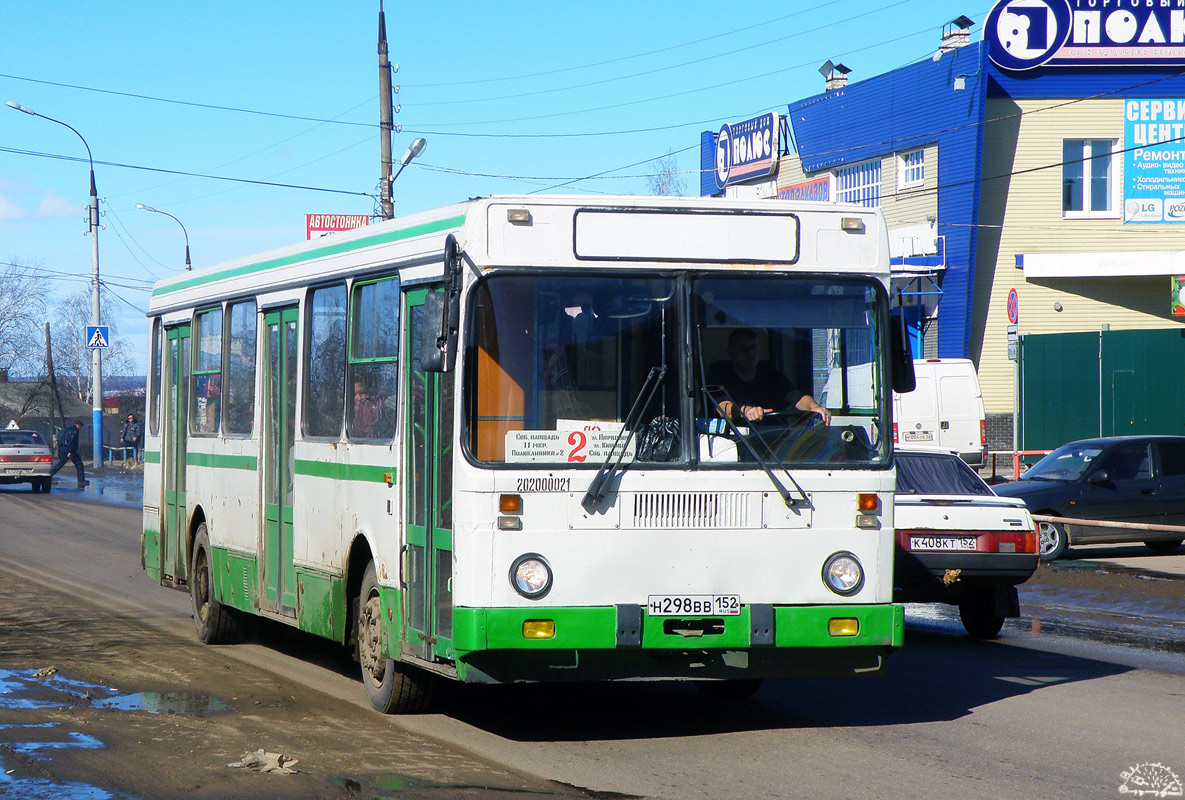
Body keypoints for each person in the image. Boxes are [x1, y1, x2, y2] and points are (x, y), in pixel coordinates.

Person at [706, 328, 831, 425]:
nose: (749, 353)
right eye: (743, 348)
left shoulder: (770, 373)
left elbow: (796, 397)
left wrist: (814, 407)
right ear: (731, 352)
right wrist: (746, 411)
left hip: (774, 441)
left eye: (753, 347)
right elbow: (723, 407)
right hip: (733, 443)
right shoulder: (720, 373)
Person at [50, 421, 89, 488]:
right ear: (78, 425)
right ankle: (81, 480)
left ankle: (49, 475)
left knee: (60, 463)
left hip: (63, 448)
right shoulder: (74, 431)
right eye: (81, 426)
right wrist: (69, 451)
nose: (81, 428)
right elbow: (72, 441)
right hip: (69, 449)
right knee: (79, 464)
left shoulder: (69, 429)